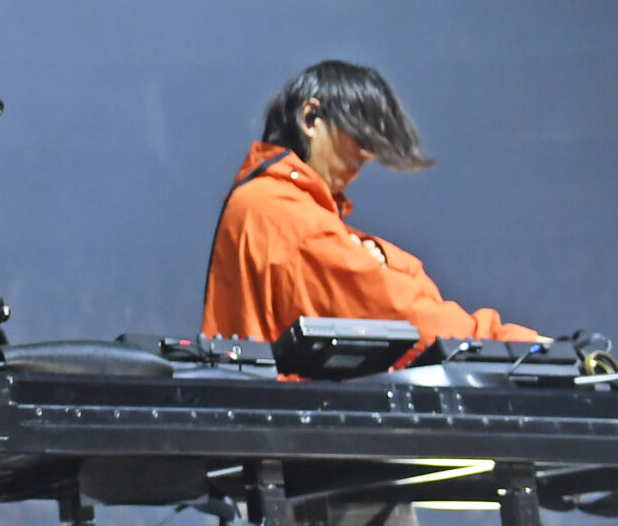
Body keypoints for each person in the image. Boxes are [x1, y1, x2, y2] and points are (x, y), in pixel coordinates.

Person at [204, 60, 541, 350]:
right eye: (360, 137)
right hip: (288, 406)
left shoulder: (266, 201)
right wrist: (509, 342)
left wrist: (375, 254)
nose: (367, 156)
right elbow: (399, 313)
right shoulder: (283, 212)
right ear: (310, 118)